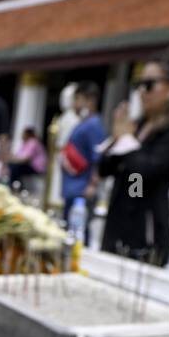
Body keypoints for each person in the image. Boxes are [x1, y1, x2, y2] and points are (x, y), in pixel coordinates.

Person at [98, 47, 169, 266]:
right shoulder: (138, 126)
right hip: (118, 221)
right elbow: (105, 170)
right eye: (139, 85)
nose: (142, 92)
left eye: (149, 85)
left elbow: (143, 174)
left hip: (145, 228)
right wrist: (116, 140)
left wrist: (127, 141)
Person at [61, 81, 106, 241]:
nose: (75, 104)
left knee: (79, 232)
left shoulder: (93, 125)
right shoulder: (83, 123)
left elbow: (98, 157)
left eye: (78, 99)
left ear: (90, 100)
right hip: (73, 186)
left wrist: (92, 185)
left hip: (81, 189)